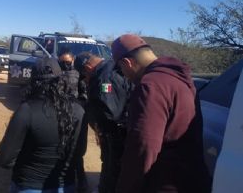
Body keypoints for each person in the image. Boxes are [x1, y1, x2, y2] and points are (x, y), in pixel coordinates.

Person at [111, 34, 211, 193]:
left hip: (164, 183)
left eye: (120, 69)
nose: (124, 75)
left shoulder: (150, 85)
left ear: (127, 63)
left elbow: (143, 147)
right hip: (193, 180)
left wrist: (124, 188)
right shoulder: (181, 79)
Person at [0, 57, 85, 193]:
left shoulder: (26, 110)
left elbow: (4, 159)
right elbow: (80, 151)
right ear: (61, 79)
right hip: (65, 186)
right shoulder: (79, 111)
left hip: (28, 185)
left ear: (33, 81)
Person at [74, 51, 132, 193]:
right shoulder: (111, 66)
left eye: (85, 76)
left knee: (112, 168)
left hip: (115, 135)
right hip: (120, 132)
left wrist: (101, 129)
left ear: (87, 67)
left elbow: (110, 112)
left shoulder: (104, 78)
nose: (86, 79)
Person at [58, 49, 88, 192]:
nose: (65, 65)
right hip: (59, 114)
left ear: (73, 60)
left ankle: (81, 180)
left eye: (68, 62)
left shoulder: (79, 74)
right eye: (62, 62)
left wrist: (78, 106)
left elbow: (84, 94)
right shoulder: (56, 73)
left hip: (76, 115)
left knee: (77, 148)